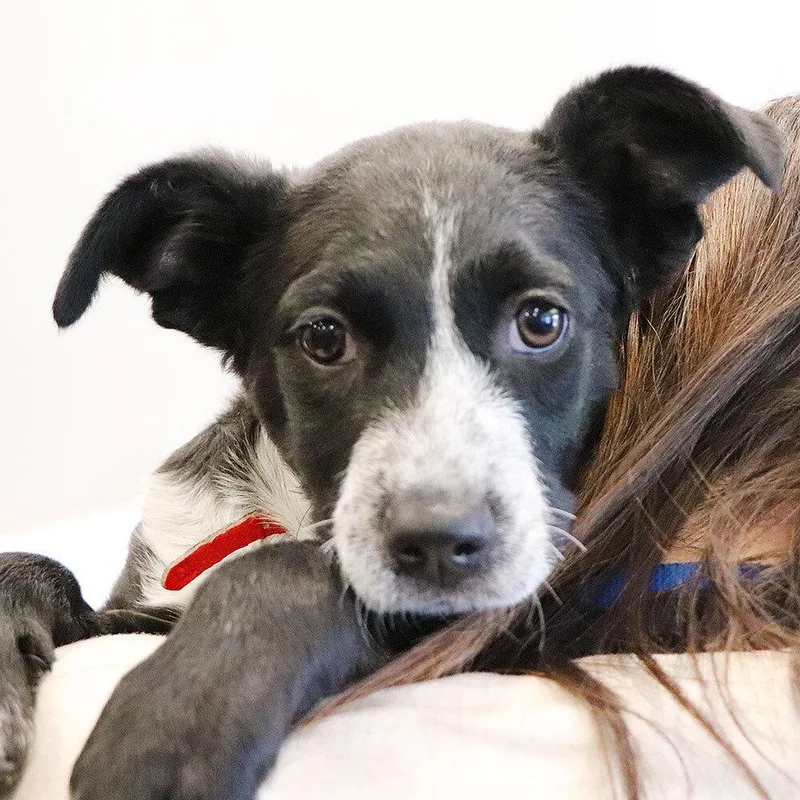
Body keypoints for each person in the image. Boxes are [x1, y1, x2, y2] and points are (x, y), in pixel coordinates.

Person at [13, 96, 800, 800]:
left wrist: (294, 589)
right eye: (327, 337)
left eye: (538, 323)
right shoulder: (201, 510)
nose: (442, 491)